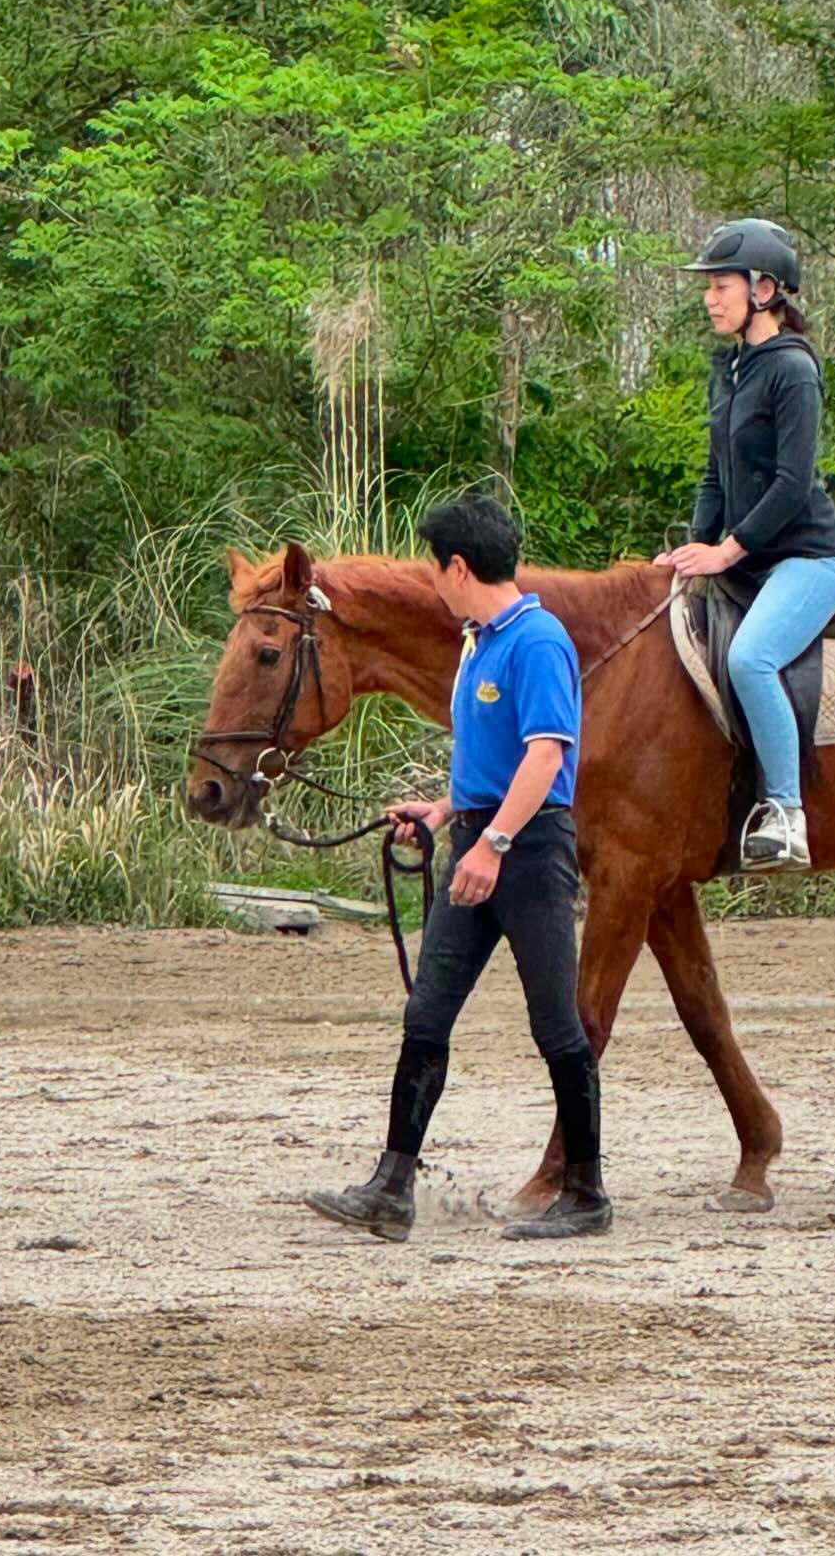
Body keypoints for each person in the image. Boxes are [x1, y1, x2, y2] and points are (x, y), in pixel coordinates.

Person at [303, 495, 611, 1243]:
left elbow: (547, 756)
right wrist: (445, 811)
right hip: (480, 837)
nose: (434, 583)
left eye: (435, 568)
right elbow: (503, 758)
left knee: (556, 1025)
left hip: (529, 853)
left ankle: (587, 1193)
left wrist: (494, 844)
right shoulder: (480, 640)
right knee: (427, 1013)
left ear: (459, 567)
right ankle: (391, 1184)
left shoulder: (536, 642)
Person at [655, 218, 835, 872]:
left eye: (721, 286)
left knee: (749, 660)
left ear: (764, 289)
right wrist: (691, 551)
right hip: (752, 559)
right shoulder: (732, 369)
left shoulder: (792, 371)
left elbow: (793, 484)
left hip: (807, 560)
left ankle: (786, 812)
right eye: (708, 288)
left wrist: (728, 551)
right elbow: (718, 473)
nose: (710, 299)